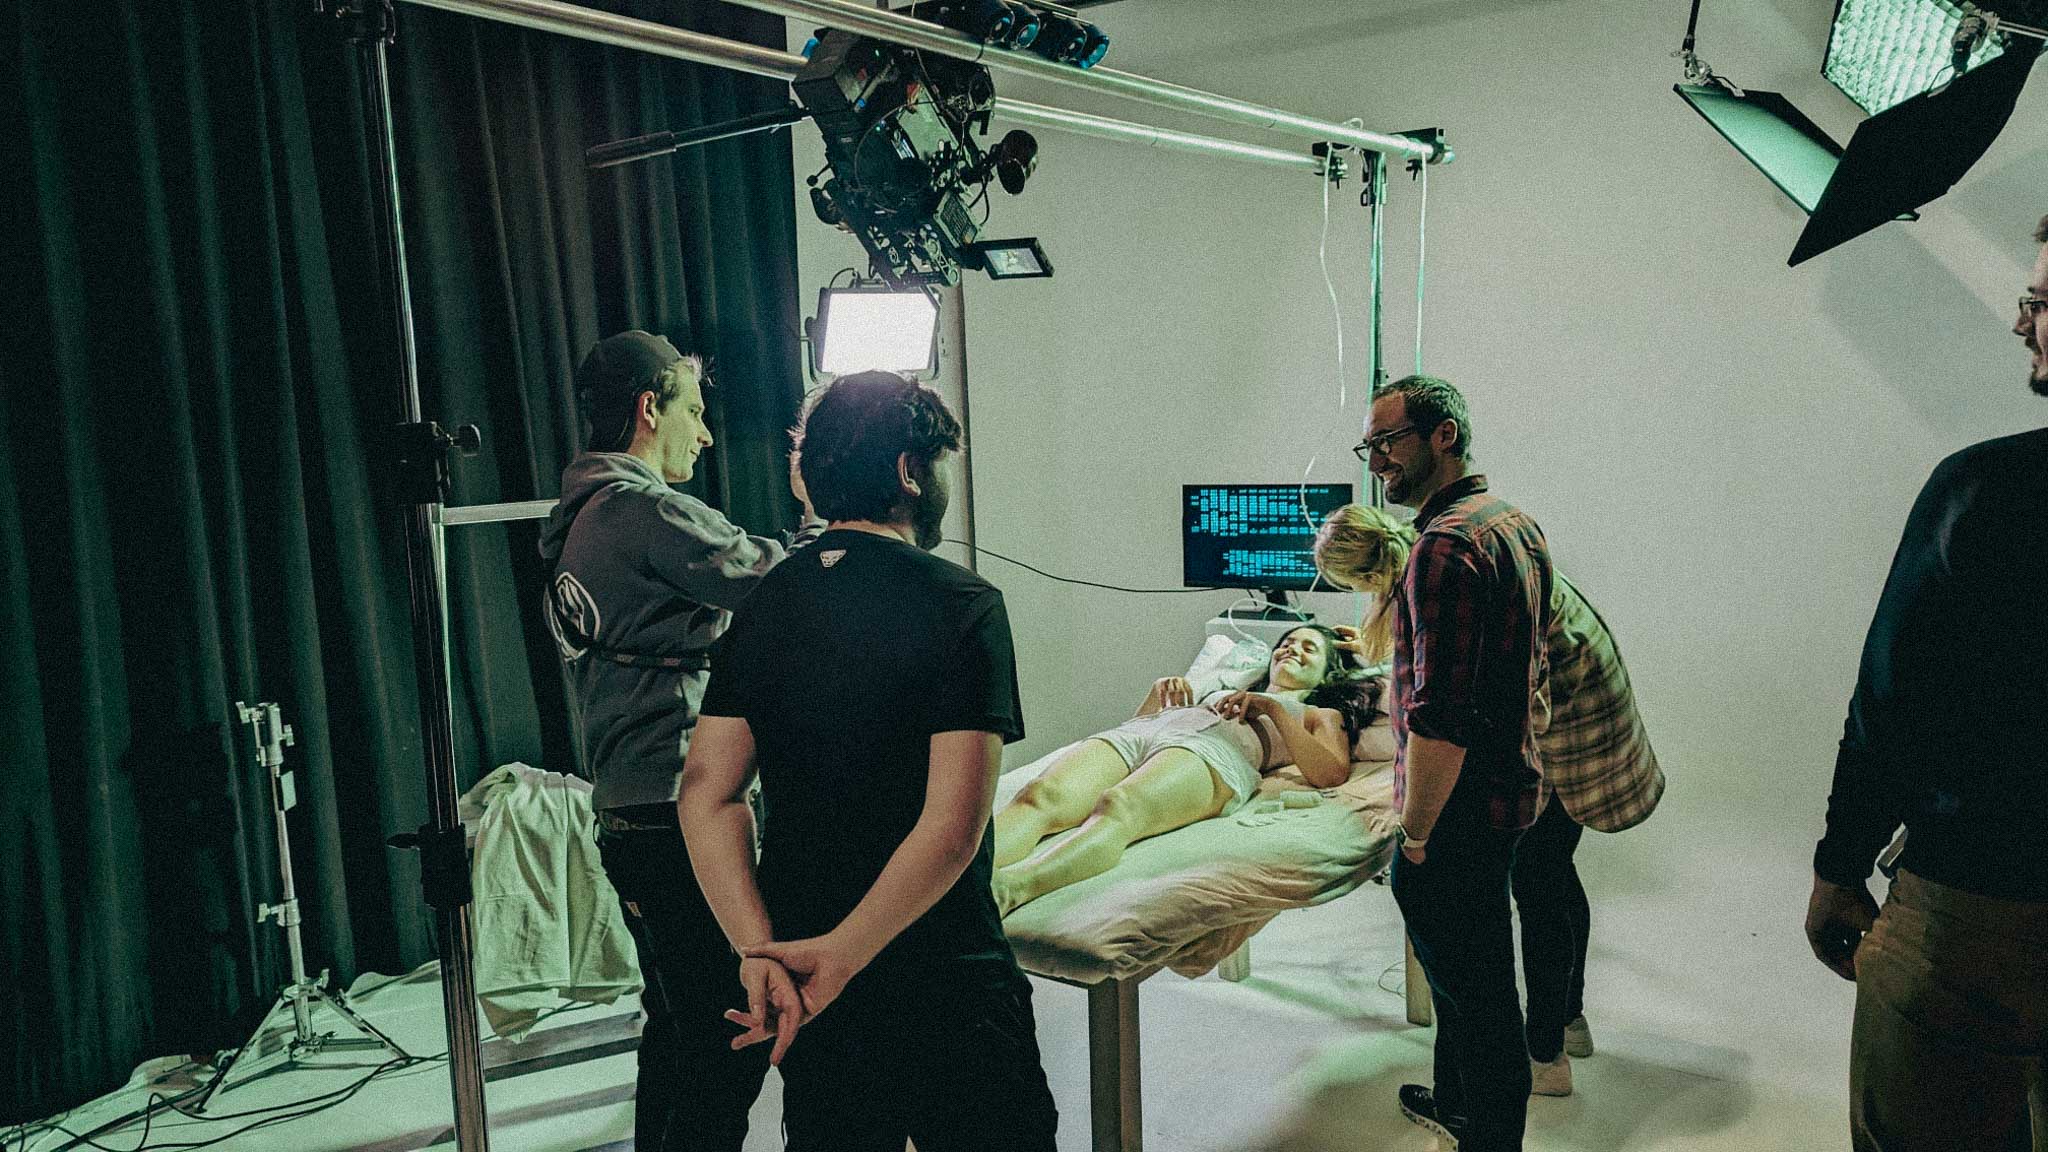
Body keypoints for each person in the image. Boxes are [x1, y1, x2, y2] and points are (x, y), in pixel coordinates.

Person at [678, 370, 1059, 1152]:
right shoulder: (963, 603)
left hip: (804, 969)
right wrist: (845, 957)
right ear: (908, 473)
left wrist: (758, 949)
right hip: (943, 971)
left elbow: (705, 793)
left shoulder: (767, 602)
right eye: (940, 463)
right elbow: (952, 827)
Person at [537, 330, 815, 1152]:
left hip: (627, 814)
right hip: (679, 812)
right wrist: (819, 510)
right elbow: (776, 580)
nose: (705, 434)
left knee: (679, 1023)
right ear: (648, 408)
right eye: (693, 412)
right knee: (738, 1032)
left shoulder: (580, 518)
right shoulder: (646, 509)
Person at [1805, 216, 2048, 1152]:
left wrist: (1839, 865)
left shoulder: (1985, 491)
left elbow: (1890, 706)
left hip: (1978, 913)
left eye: (2039, 301)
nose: (2020, 323)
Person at [1317, 503, 1664, 1100]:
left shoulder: (1432, 573)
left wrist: (1417, 829)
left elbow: (1440, 709)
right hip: (1592, 695)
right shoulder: (1457, 540)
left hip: (1567, 719)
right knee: (1554, 871)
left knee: (1537, 878)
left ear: (1365, 578)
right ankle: (1565, 1021)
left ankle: (1544, 1056)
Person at [1359, 374, 1554, 1152]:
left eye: (1387, 442)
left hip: (1458, 817)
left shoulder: (1442, 547)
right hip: (1508, 794)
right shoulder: (1510, 521)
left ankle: (1488, 1137)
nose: (1377, 462)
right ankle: (1460, 1107)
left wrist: (1413, 836)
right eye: (1367, 446)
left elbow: (1439, 718)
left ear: (1443, 436)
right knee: (1477, 985)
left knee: (1477, 1000)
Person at [989, 623, 1376, 917]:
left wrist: (1273, 708)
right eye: (1287, 644)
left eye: (1309, 648)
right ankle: (965, 873)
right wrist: (1158, 696)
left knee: (1120, 806)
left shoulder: (1316, 713)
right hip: (1149, 732)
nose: (1292, 650)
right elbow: (1135, 736)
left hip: (1214, 752)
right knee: (1040, 796)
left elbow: (1331, 773)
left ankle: (1009, 891)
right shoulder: (1224, 687)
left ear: (1328, 671)